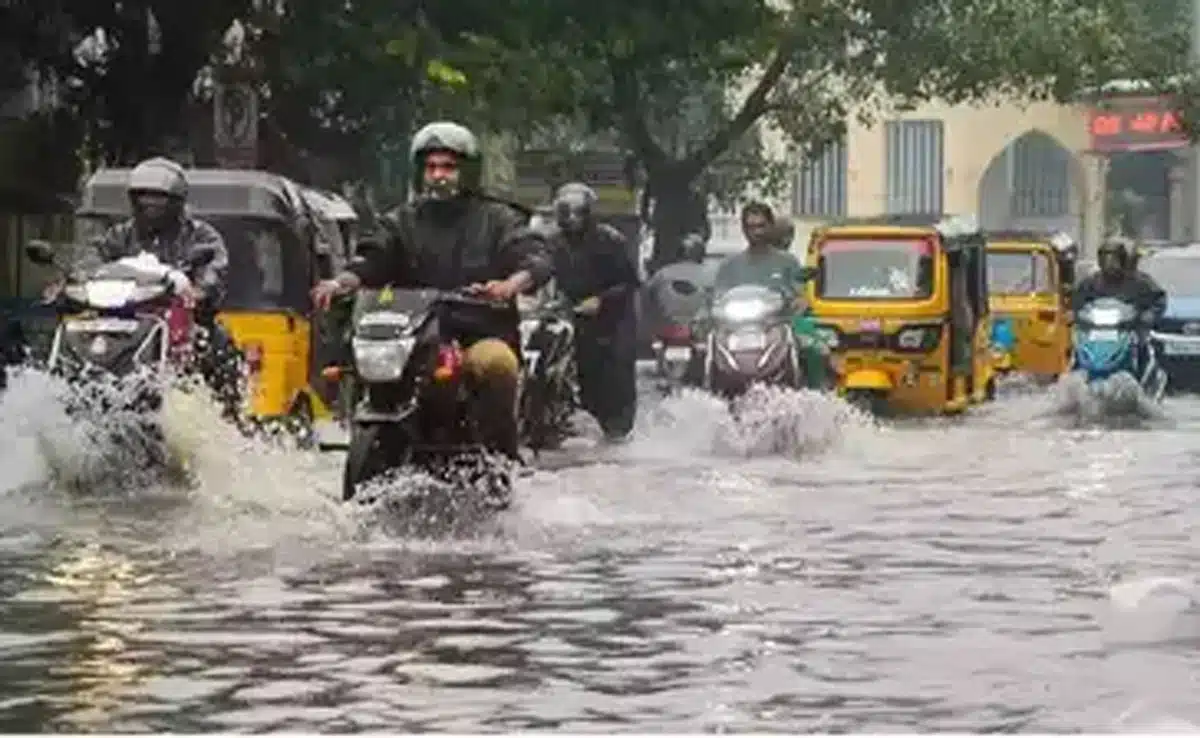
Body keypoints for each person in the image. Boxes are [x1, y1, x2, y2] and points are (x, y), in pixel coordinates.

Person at [309, 120, 552, 462]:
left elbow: (533, 256)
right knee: (360, 363)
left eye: (449, 167)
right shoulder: (400, 221)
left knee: (497, 365)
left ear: (467, 172)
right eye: (432, 167)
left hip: (478, 333)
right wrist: (342, 282)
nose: (439, 175)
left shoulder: (499, 218)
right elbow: (373, 257)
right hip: (413, 337)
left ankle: (502, 459)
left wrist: (510, 284)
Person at [89, 157, 242, 419]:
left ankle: (227, 417)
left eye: (158, 199)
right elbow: (94, 257)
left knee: (220, 343)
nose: (150, 204)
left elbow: (217, 265)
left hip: (184, 319)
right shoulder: (120, 234)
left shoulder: (201, 235)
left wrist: (201, 289)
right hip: (123, 319)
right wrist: (73, 278)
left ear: (177, 201)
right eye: (143, 197)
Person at [546, 182, 640, 442]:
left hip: (614, 320)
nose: (573, 219)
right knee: (583, 375)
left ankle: (619, 433)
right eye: (567, 212)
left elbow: (630, 282)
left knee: (616, 376)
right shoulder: (553, 244)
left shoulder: (610, 240)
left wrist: (602, 299)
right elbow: (542, 273)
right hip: (575, 317)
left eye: (579, 212)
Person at [713, 202, 809, 303]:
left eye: (761, 226)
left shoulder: (789, 262)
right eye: (751, 227)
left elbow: (801, 296)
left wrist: (795, 300)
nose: (757, 232)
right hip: (737, 317)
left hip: (778, 317)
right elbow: (719, 297)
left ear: (771, 226)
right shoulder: (729, 265)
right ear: (743, 229)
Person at [1072, 237, 1166, 320]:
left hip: (1131, 330)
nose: (1110, 264)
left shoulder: (1139, 281)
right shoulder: (1090, 282)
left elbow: (1158, 300)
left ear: (1123, 260)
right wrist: (1074, 314)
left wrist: (1149, 314)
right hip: (1095, 330)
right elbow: (1078, 303)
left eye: (1114, 260)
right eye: (1105, 260)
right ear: (1100, 261)